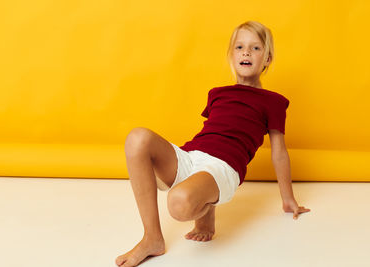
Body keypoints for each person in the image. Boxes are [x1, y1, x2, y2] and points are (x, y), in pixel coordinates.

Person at [115, 20, 311, 267]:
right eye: (239, 47)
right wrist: (181, 161)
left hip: (223, 167)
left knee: (178, 204)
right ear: (232, 55)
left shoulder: (273, 101)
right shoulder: (217, 93)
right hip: (191, 154)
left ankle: (205, 210)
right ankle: (152, 238)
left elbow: (279, 153)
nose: (246, 52)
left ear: (268, 59)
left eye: (255, 48)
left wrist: (288, 198)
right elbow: (212, 132)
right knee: (137, 137)